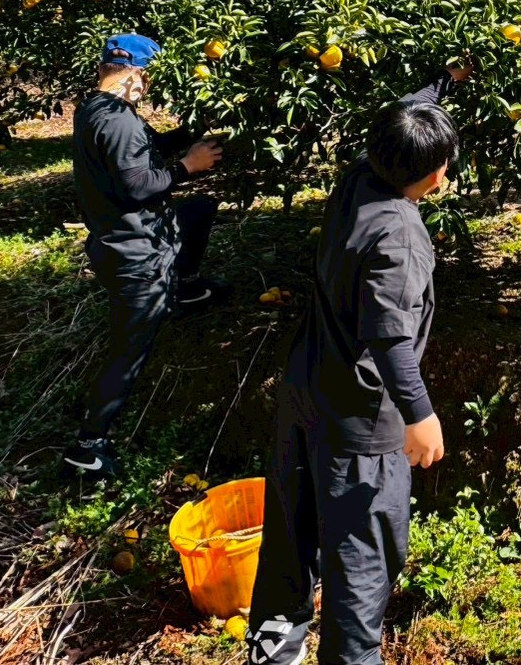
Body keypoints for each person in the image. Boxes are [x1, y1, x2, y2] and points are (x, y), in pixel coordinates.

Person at [246, 59, 471, 665]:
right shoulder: (399, 235)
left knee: (291, 539)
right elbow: (392, 340)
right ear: (433, 171)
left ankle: (276, 647)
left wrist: (442, 83)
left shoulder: (358, 179)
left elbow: (397, 114)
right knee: (360, 568)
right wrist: (421, 415)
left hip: (304, 393)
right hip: (359, 424)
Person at [63, 34, 227, 480]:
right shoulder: (118, 121)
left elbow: (147, 152)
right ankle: (88, 447)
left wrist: (195, 132)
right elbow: (138, 183)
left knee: (197, 211)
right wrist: (187, 167)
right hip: (134, 255)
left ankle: (182, 287)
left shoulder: (98, 109)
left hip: (130, 239)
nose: (148, 86)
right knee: (128, 351)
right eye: (148, 77)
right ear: (136, 74)